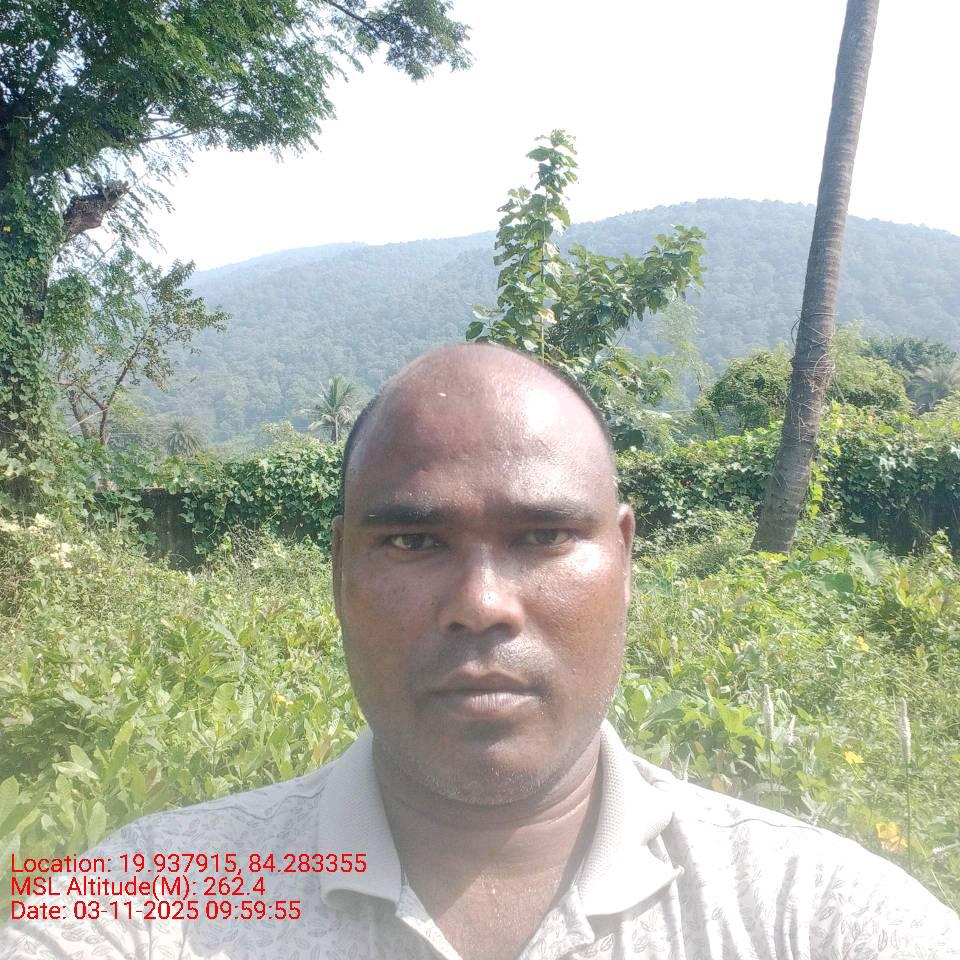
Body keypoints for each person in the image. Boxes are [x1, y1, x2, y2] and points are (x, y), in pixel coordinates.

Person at [2, 343, 958, 960]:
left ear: (625, 561)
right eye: (413, 541)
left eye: (544, 536)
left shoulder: (814, 914)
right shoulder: (149, 894)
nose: (481, 605)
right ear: (339, 571)